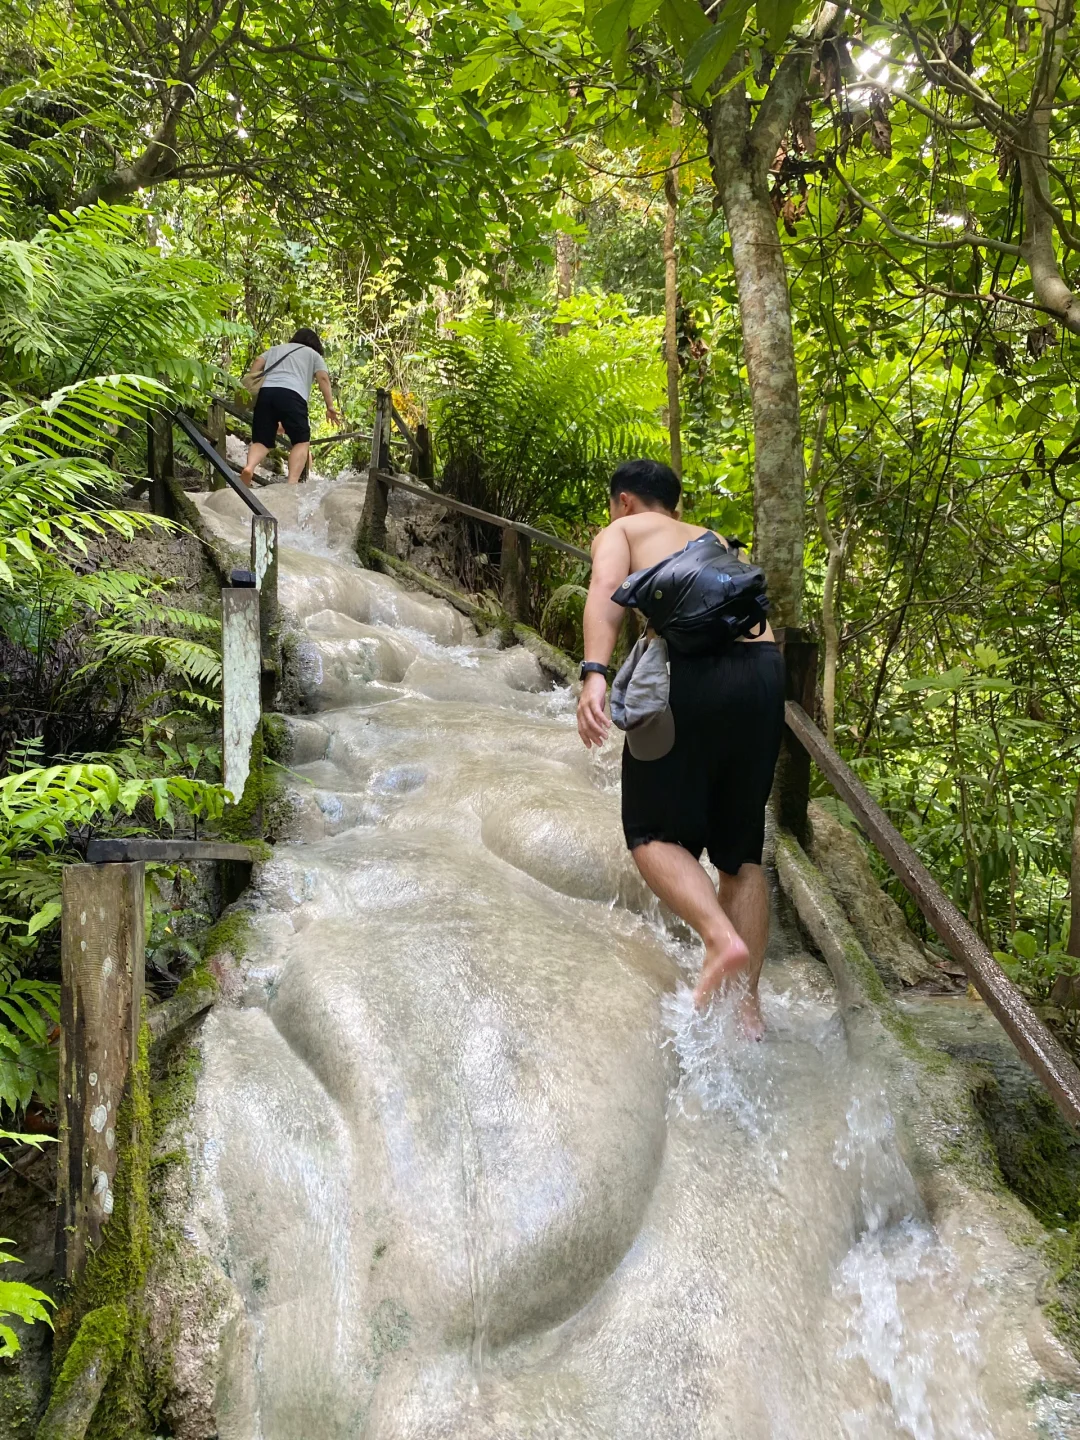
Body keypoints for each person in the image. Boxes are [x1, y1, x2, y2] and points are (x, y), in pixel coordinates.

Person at [576, 458, 785, 1036]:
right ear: (675, 505)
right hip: (765, 673)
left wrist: (595, 673)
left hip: (692, 676)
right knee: (740, 854)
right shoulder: (713, 539)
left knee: (650, 833)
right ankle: (747, 1009)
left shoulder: (622, 530)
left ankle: (720, 941)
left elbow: (605, 592)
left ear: (624, 502)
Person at [239, 328, 341, 486]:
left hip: (266, 393)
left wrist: (253, 383)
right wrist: (330, 406)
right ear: (315, 344)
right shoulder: (313, 355)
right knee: (301, 442)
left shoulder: (276, 349)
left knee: (262, 440)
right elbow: (323, 378)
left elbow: (258, 361)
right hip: (293, 395)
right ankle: (291, 483)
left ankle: (249, 467)